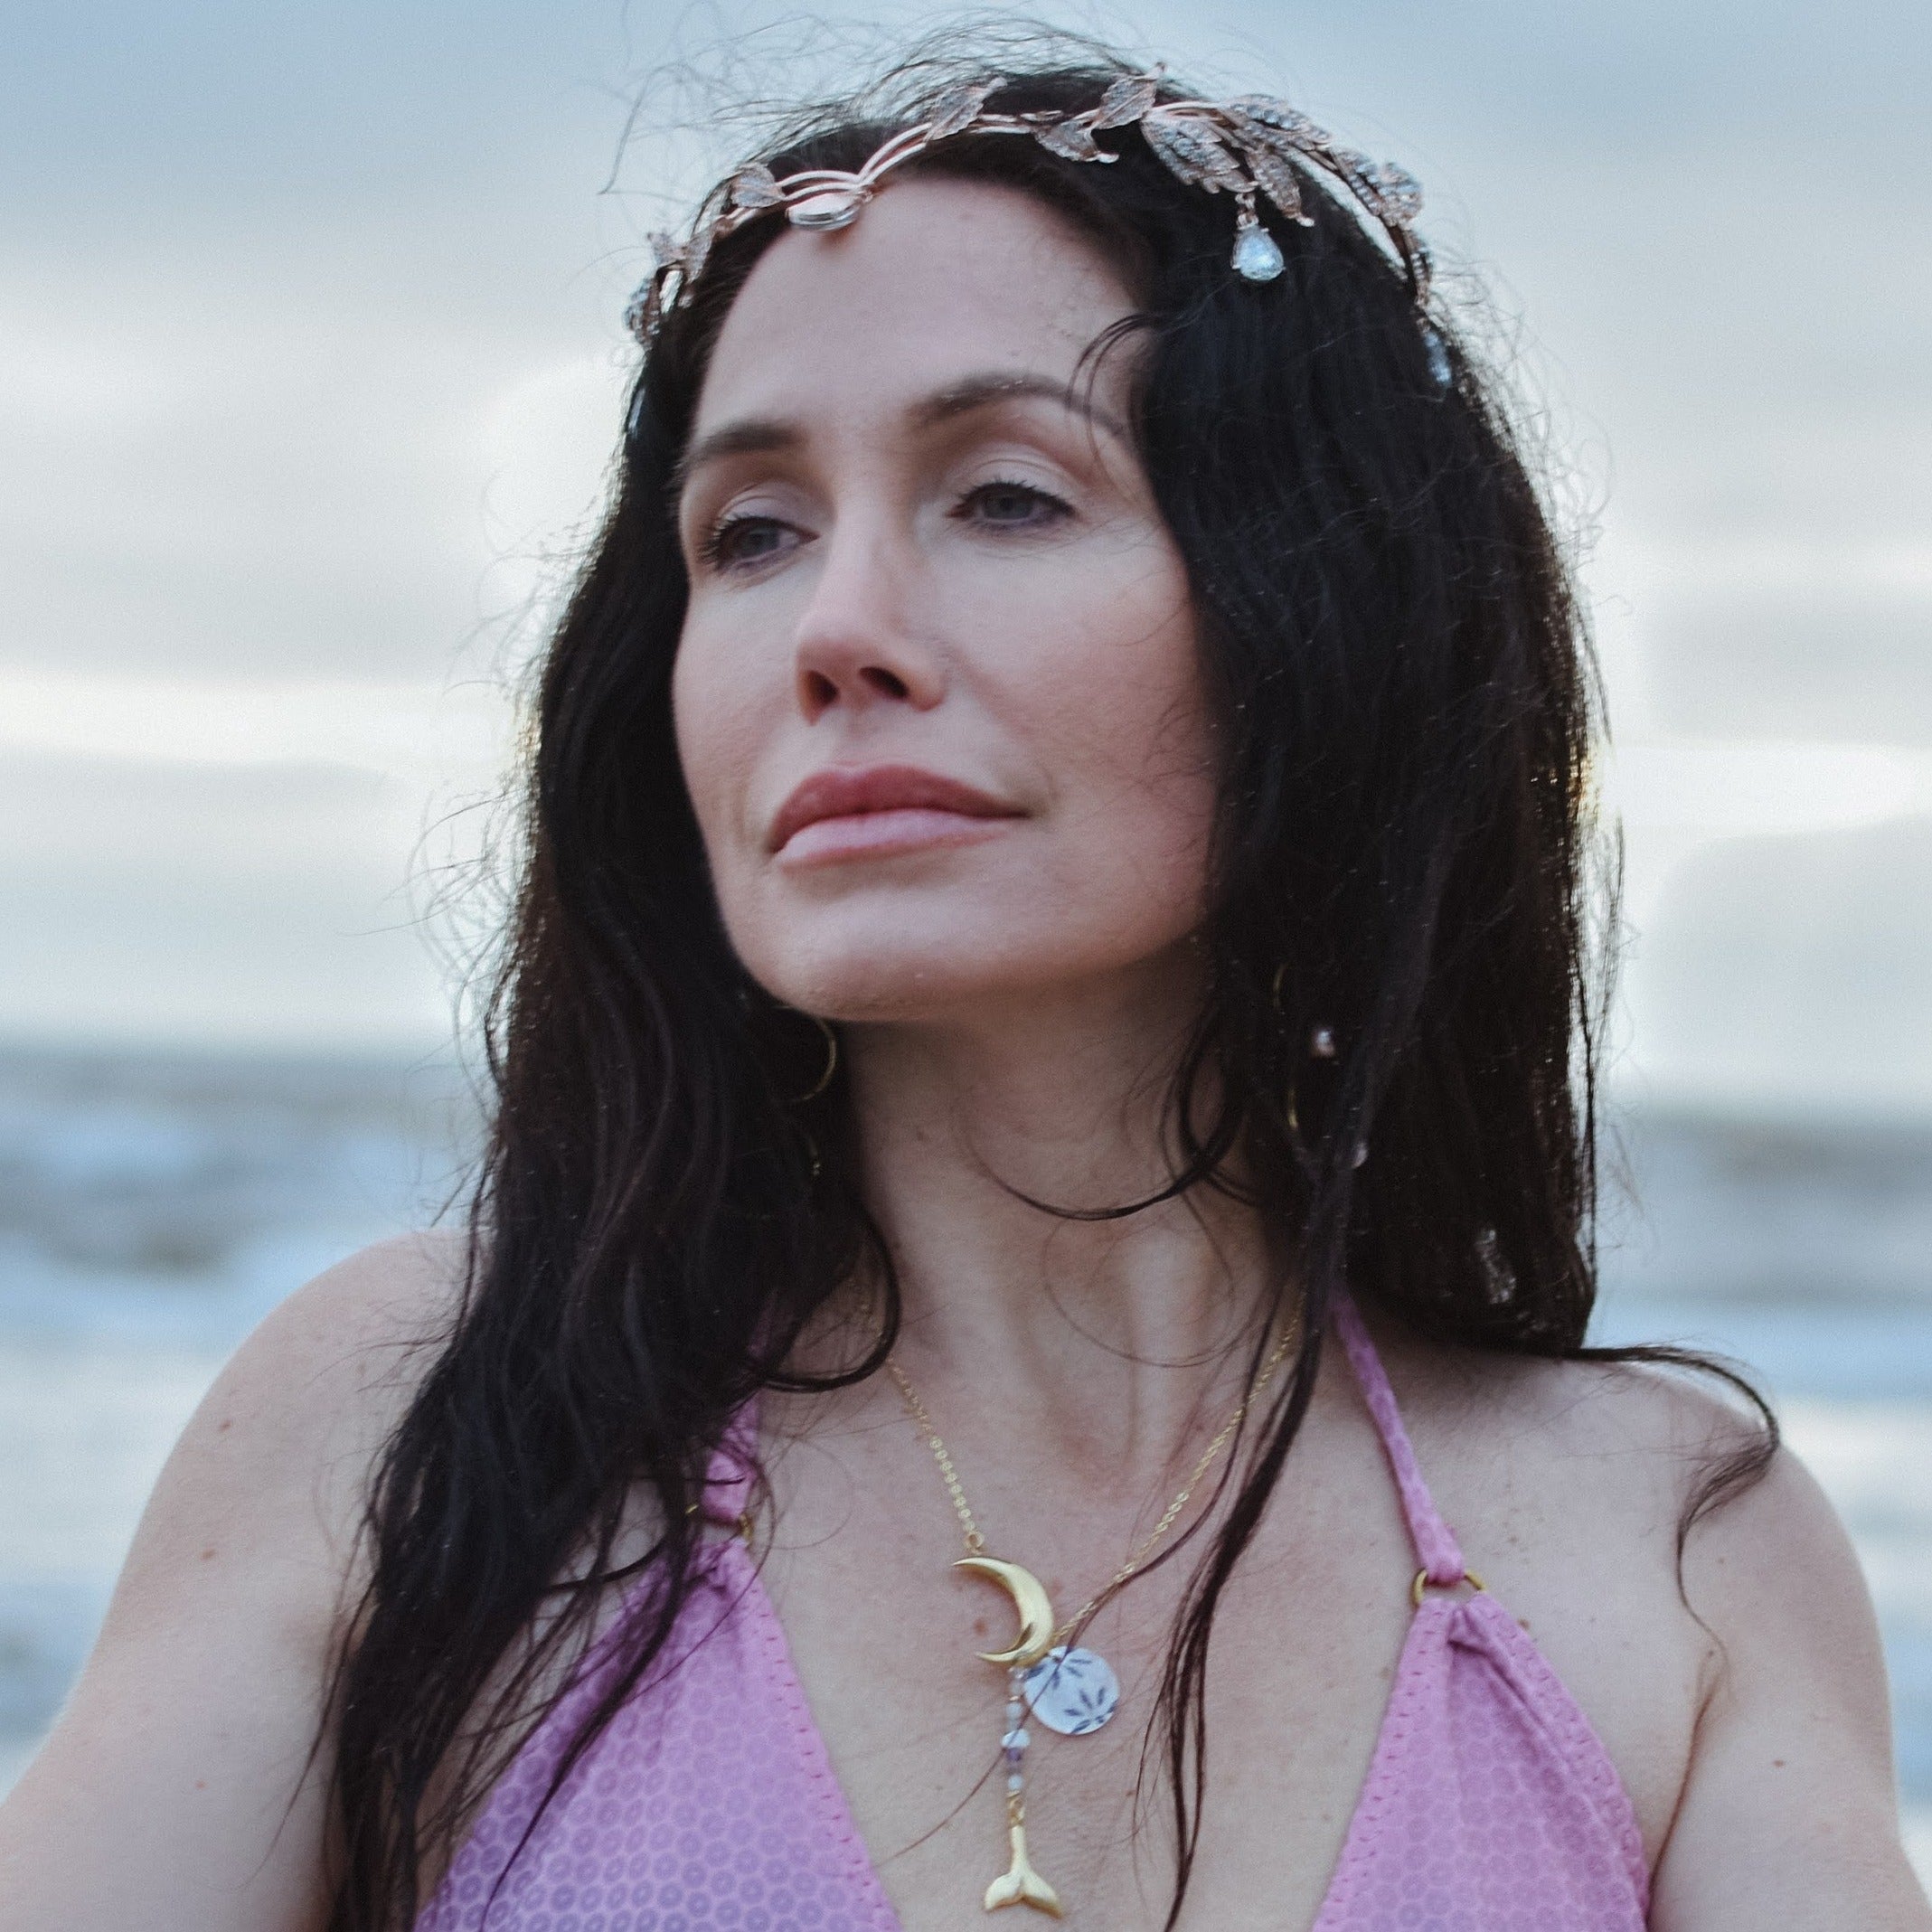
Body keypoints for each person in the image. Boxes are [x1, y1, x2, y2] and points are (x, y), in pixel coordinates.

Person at [0, 36, 1924, 1932]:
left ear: (1329, 614)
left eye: (1005, 494)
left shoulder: (1673, 1554)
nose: (835, 628)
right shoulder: (418, 1426)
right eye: (750, 533)